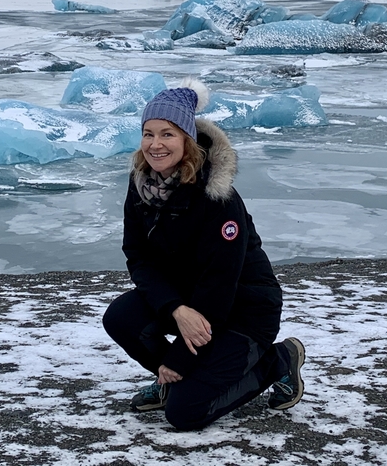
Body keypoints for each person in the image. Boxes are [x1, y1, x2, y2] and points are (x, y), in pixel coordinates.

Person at [103, 77, 306, 431]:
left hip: (242, 311)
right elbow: (138, 256)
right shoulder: (142, 186)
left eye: (167, 134)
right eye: (148, 133)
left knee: (186, 415)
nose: (155, 144)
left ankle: (278, 360)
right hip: (189, 301)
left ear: (187, 139)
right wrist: (175, 309)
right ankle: (174, 381)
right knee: (121, 317)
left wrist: (180, 357)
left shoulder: (218, 198)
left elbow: (220, 283)